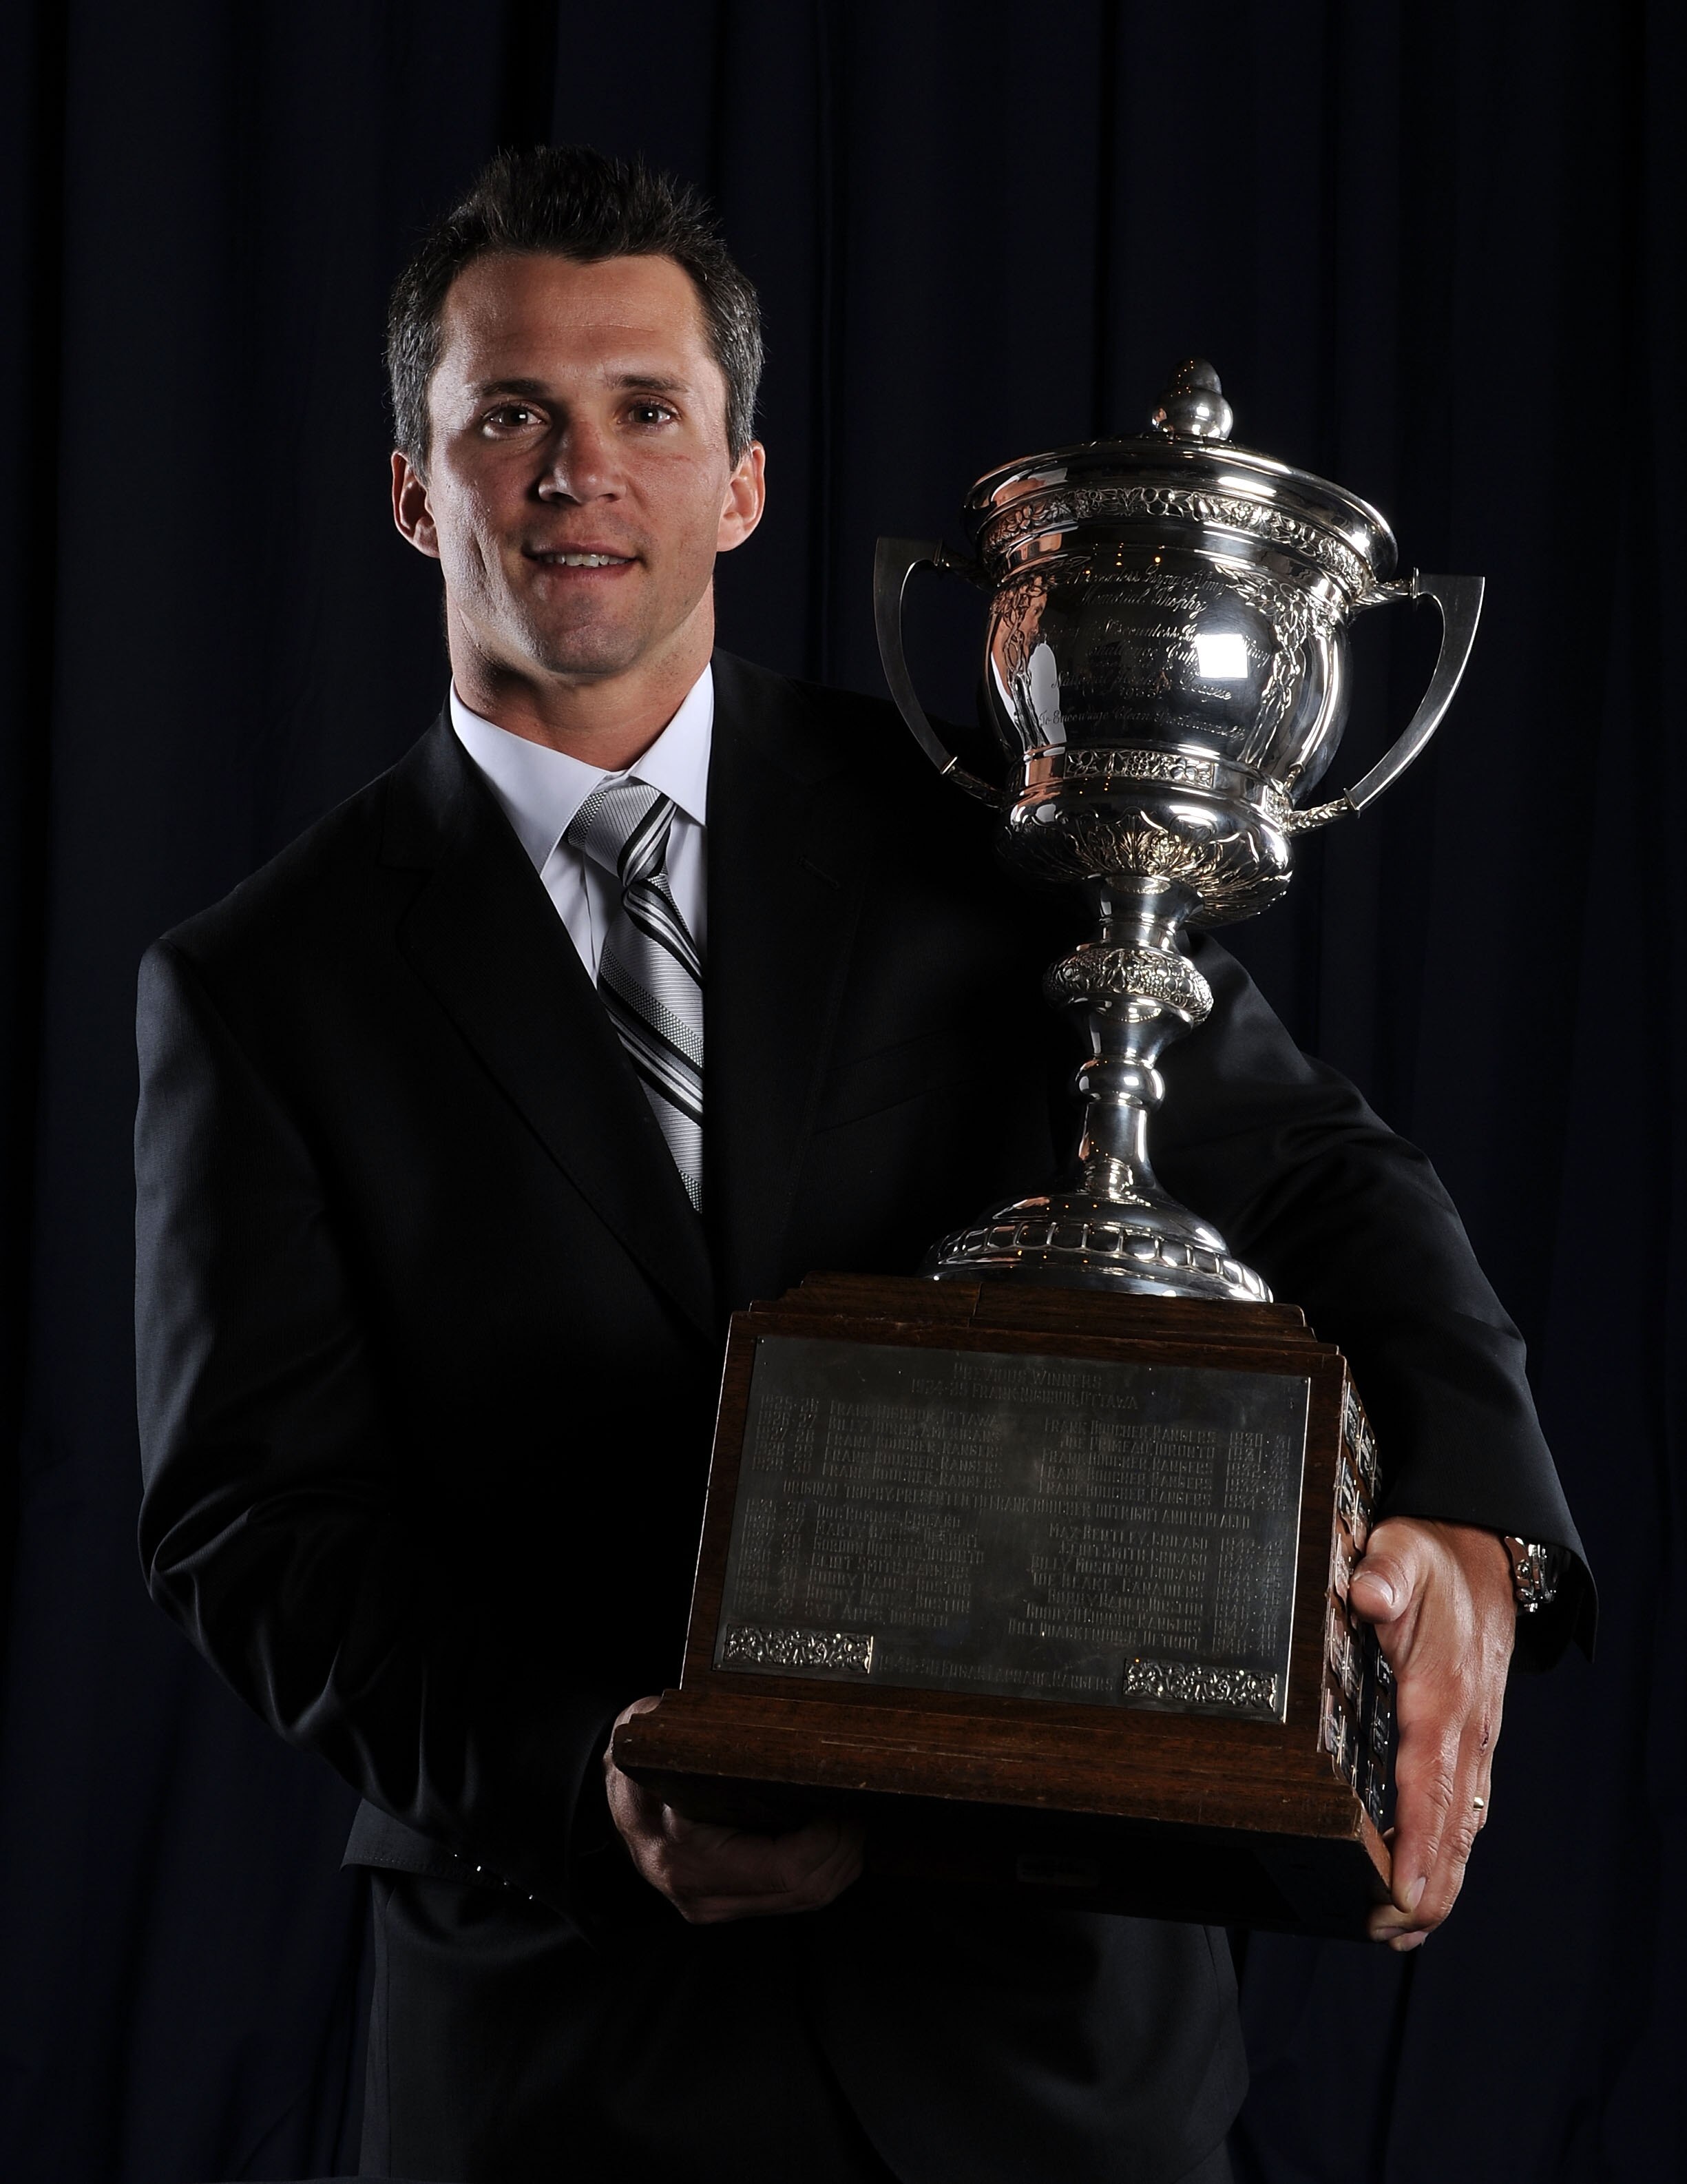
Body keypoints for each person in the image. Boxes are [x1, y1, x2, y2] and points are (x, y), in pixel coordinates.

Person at [134, 147, 1586, 2184]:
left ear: (737, 483)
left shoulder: (997, 830)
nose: (579, 472)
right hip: (567, 2039)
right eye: (509, 417)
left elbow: (1321, 1173)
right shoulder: (255, 986)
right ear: (413, 488)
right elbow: (255, 1526)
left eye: (647, 409)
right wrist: (589, 1774)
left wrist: (1464, 1516)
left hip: (1038, 2040)